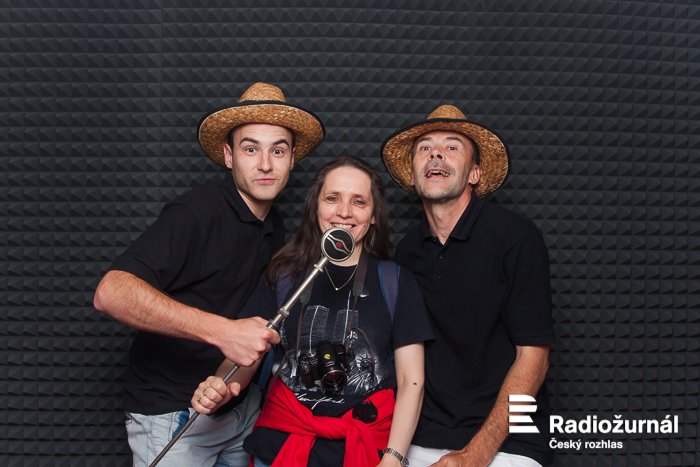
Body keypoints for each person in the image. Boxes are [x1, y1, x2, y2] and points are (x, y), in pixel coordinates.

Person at [92, 82, 325, 466]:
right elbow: (111, 292)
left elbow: (255, 322)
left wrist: (232, 381)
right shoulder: (196, 212)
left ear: (292, 158)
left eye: (277, 150)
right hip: (174, 417)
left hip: (237, 410)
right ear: (229, 156)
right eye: (250, 149)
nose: (265, 164)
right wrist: (222, 332)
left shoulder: (275, 225)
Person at [193, 156, 433, 467]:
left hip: (364, 449)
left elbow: (412, 380)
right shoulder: (284, 276)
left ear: (373, 215)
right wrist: (220, 386)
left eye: (359, 201)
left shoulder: (397, 281)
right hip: (281, 446)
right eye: (332, 198)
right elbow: (246, 350)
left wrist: (394, 457)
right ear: (315, 207)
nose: (344, 211)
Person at [381, 104, 555, 467]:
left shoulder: (515, 238)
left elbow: (534, 359)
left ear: (475, 173)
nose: (436, 154)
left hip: (507, 442)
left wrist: (476, 455)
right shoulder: (407, 251)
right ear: (414, 173)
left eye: (451, 146)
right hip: (421, 439)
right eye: (425, 147)